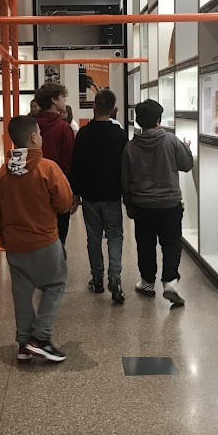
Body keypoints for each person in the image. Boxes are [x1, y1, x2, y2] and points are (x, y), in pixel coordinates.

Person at [0, 115, 71, 364]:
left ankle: (24, 343)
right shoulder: (47, 168)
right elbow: (64, 203)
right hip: (44, 240)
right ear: (34, 137)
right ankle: (40, 338)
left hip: (15, 244)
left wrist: (3, 237)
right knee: (55, 284)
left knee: (22, 293)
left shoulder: (3, 172)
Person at [122, 99, 194, 308]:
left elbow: (125, 180)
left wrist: (129, 204)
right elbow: (186, 165)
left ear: (138, 121)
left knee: (145, 245)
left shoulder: (130, 147)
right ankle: (170, 282)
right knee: (171, 244)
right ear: (159, 119)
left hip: (143, 205)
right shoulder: (171, 140)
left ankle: (147, 283)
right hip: (169, 204)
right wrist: (187, 148)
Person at [70, 89, 127, 304]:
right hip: (112, 194)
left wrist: (75, 193)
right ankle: (115, 275)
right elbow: (126, 166)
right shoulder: (120, 135)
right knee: (115, 235)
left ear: (94, 106)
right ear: (113, 109)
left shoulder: (84, 134)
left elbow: (76, 165)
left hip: (90, 195)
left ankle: (97, 279)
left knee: (93, 237)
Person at [33, 82, 76, 246]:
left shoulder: (31, 125)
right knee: (59, 236)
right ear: (54, 100)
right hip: (58, 186)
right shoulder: (63, 128)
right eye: (62, 97)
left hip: (33, 186)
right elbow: (69, 162)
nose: (65, 100)